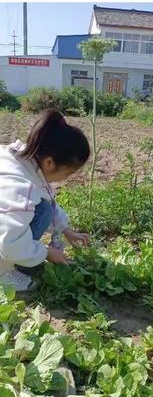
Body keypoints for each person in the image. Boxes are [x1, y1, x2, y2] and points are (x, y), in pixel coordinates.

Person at [0, 109, 91, 292]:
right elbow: (9, 242)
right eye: (67, 173)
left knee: (43, 209)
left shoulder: (22, 159)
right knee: (39, 215)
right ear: (49, 162)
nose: (65, 178)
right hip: (6, 239)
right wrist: (47, 253)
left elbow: (46, 199)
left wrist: (66, 230)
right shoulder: (21, 188)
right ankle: (2, 274)